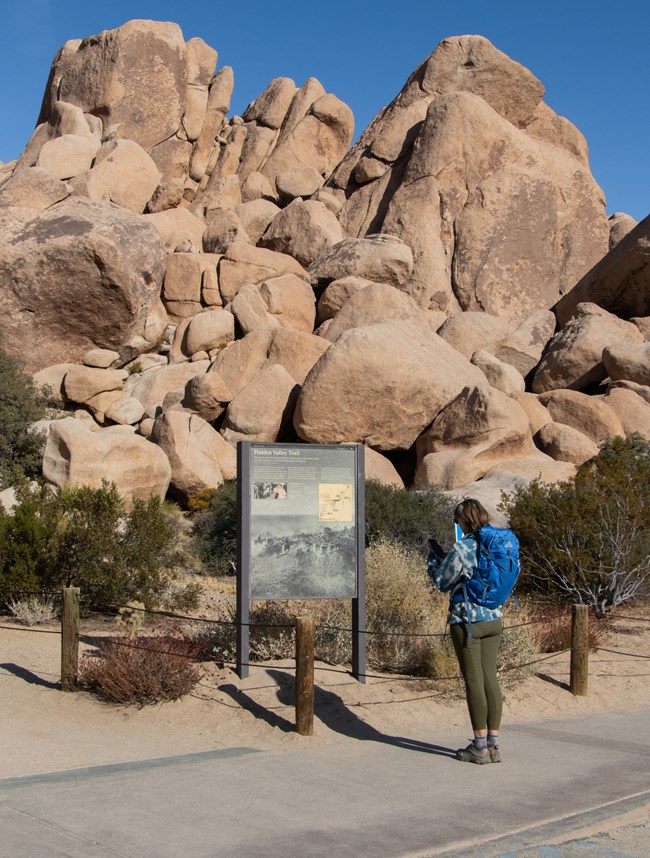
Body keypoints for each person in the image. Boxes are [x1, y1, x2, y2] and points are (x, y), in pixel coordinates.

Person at [427, 498, 504, 765]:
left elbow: (442, 582)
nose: (456, 523)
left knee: (473, 681)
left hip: (467, 621)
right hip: (494, 618)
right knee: (489, 679)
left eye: (457, 519)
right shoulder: (495, 545)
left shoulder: (463, 548)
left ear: (464, 520)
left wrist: (432, 560)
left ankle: (479, 747)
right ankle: (493, 744)